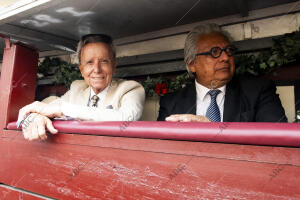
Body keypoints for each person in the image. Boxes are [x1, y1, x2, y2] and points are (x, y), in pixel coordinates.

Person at [17, 34, 145, 140]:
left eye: (104, 61)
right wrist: (39, 117)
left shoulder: (131, 89)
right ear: (81, 70)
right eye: (90, 62)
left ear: (114, 67)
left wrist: (62, 109)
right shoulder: (77, 89)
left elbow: (126, 119)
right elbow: (49, 108)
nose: (97, 69)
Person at [158, 24, 287, 123]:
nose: (225, 57)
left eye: (229, 50)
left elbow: (278, 141)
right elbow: (162, 147)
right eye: (214, 52)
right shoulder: (171, 103)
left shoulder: (258, 91)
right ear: (192, 64)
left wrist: (213, 130)